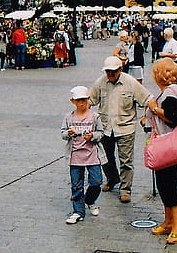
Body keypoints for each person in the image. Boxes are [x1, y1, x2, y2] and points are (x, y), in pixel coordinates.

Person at [88, 55, 152, 204]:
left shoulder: (130, 82)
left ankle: (125, 189)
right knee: (106, 158)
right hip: (105, 127)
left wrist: (146, 117)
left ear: (120, 69)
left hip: (126, 128)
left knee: (126, 161)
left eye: (113, 71)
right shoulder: (100, 82)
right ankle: (112, 178)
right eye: (107, 71)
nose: (110, 74)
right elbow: (90, 100)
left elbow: (148, 99)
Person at [144, 58, 177, 245]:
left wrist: (154, 108)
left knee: (169, 187)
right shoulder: (170, 91)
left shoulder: (170, 94)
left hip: (168, 146)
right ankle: (168, 221)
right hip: (165, 145)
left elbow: (172, 117)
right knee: (163, 185)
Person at [61, 85, 105, 224]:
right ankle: (78, 211)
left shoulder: (94, 116)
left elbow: (101, 133)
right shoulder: (69, 117)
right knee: (76, 184)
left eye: (84, 100)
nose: (82, 103)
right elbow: (63, 133)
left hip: (92, 154)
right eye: (78, 100)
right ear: (73, 101)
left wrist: (92, 136)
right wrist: (69, 133)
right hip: (75, 156)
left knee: (97, 181)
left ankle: (90, 200)